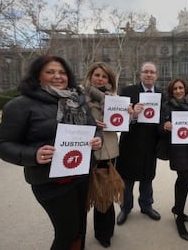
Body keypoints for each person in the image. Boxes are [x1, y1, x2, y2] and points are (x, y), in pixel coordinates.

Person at [0, 55, 102, 250]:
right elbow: (1, 144)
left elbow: (94, 129)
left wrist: (97, 140)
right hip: (51, 183)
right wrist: (33, 154)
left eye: (62, 72)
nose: (57, 76)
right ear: (37, 76)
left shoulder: (78, 101)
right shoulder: (21, 105)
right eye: (50, 72)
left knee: (80, 229)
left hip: (81, 176)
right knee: (66, 232)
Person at [82, 62, 130, 248]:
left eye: (104, 76)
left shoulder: (115, 100)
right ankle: (78, 233)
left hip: (107, 152)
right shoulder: (78, 97)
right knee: (83, 195)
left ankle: (104, 232)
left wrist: (130, 114)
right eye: (97, 75)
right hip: (83, 151)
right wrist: (90, 122)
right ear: (91, 76)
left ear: (109, 80)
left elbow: (123, 123)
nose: (100, 79)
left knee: (105, 195)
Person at [116, 61, 164, 225]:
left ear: (156, 75)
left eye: (152, 72)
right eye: (146, 72)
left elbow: (163, 119)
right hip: (130, 143)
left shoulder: (160, 94)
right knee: (126, 180)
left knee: (147, 178)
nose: (149, 75)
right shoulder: (127, 91)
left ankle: (146, 205)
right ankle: (125, 207)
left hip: (150, 144)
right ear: (140, 74)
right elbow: (118, 119)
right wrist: (133, 115)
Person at [160, 78, 188, 241]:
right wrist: (165, 126)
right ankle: (179, 216)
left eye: (180, 88)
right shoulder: (166, 105)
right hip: (177, 150)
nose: (178, 91)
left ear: (185, 89)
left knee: (184, 180)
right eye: (175, 89)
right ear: (171, 91)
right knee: (184, 180)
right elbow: (159, 128)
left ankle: (177, 209)